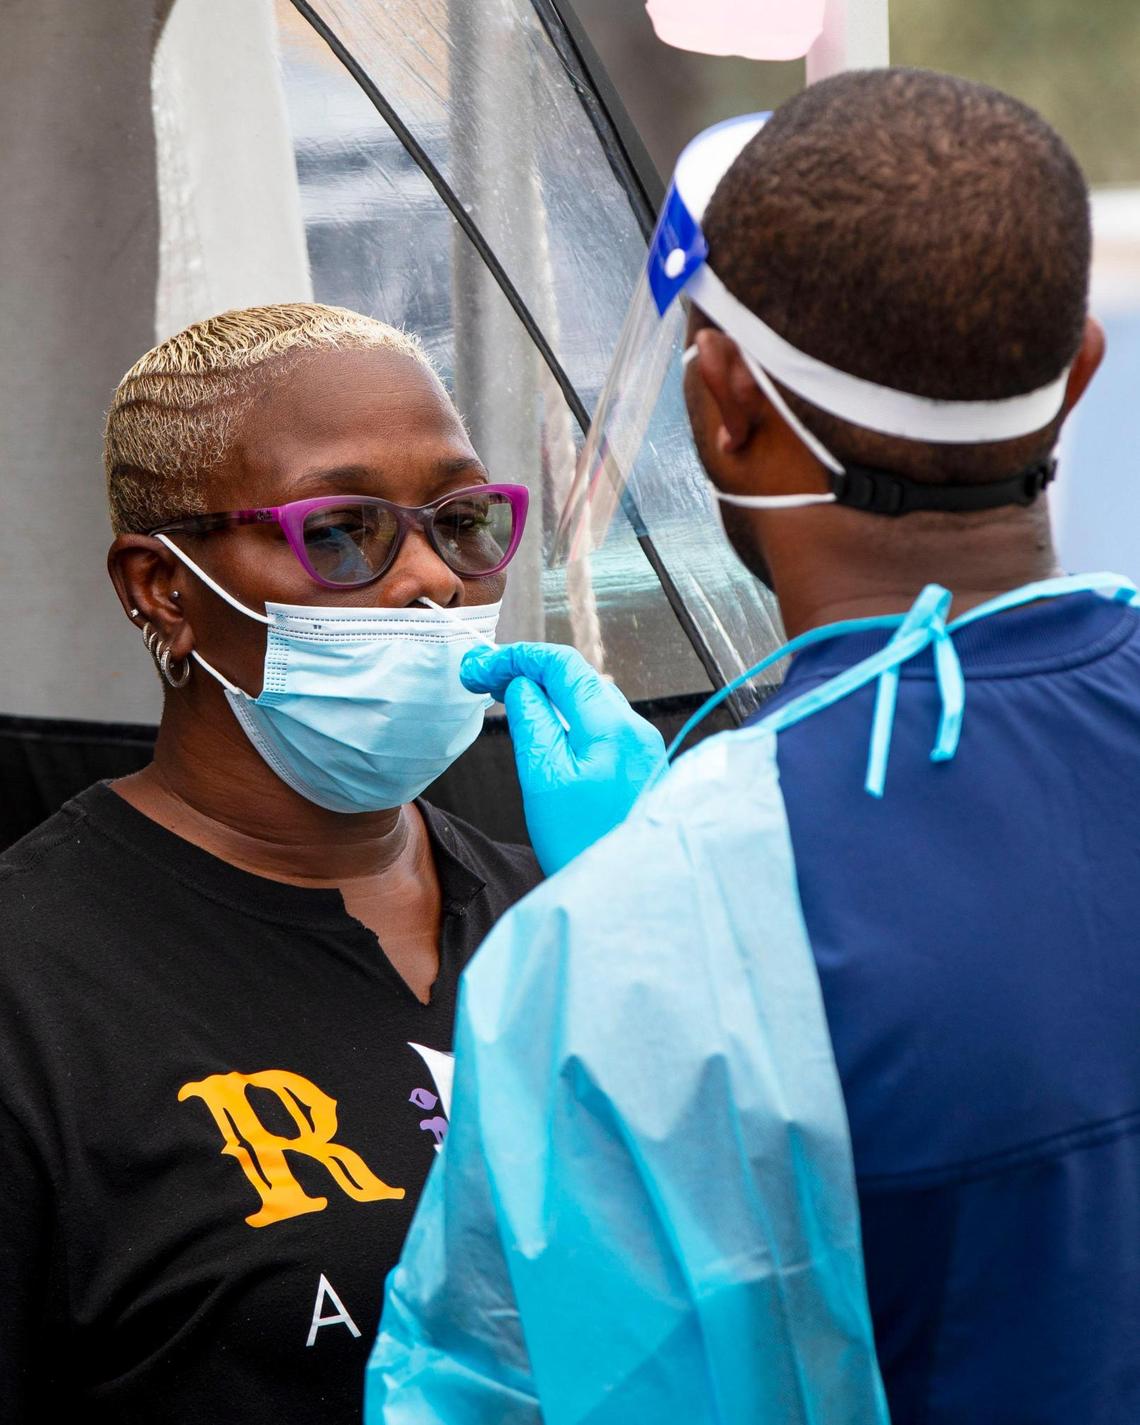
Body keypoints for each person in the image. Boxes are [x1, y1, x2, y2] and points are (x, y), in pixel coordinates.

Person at [369, 71, 1140, 1423]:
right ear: (1077, 376)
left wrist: (649, 924)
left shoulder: (620, 944)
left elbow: (505, 1382)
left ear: (719, 403)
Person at [0, 303, 545, 1423]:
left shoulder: (561, 906)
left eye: (462, 520)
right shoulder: (35, 995)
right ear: (162, 588)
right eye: (343, 532)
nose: (433, 581)